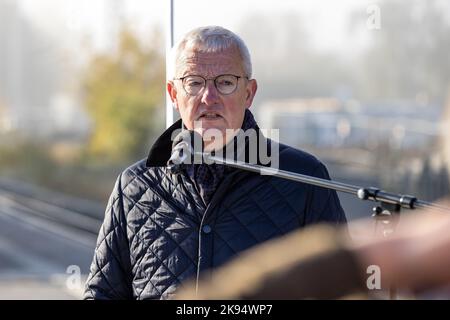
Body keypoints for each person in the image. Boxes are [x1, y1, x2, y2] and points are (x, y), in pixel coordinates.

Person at [83, 26, 346, 300]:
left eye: (225, 82)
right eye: (194, 83)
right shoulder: (134, 187)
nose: (209, 97)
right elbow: (102, 294)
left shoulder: (304, 179)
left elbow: (342, 290)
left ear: (249, 93)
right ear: (174, 94)